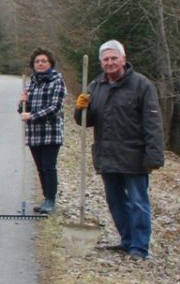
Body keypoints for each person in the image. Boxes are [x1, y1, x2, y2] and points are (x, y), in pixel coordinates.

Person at [75, 40, 164, 261]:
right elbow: (85, 122)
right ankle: (126, 241)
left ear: (123, 59)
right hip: (107, 156)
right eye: (106, 59)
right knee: (115, 202)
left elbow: (153, 123)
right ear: (101, 62)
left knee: (137, 203)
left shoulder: (142, 85)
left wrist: (153, 156)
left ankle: (139, 248)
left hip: (134, 157)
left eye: (114, 58)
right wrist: (80, 108)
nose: (110, 62)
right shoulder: (95, 86)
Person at [18, 48, 67, 214]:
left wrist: (31, 116)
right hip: (34, 133)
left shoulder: (57, 81)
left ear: (50, 63)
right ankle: (46, 198)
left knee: (48, 166)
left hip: (51, 131)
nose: (40, 64)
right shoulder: (30, 83)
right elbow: (23, 111)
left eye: (43, 61)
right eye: (37, 61)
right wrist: (22, 102)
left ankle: (51, 200)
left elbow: (54, 108)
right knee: (40, 167)